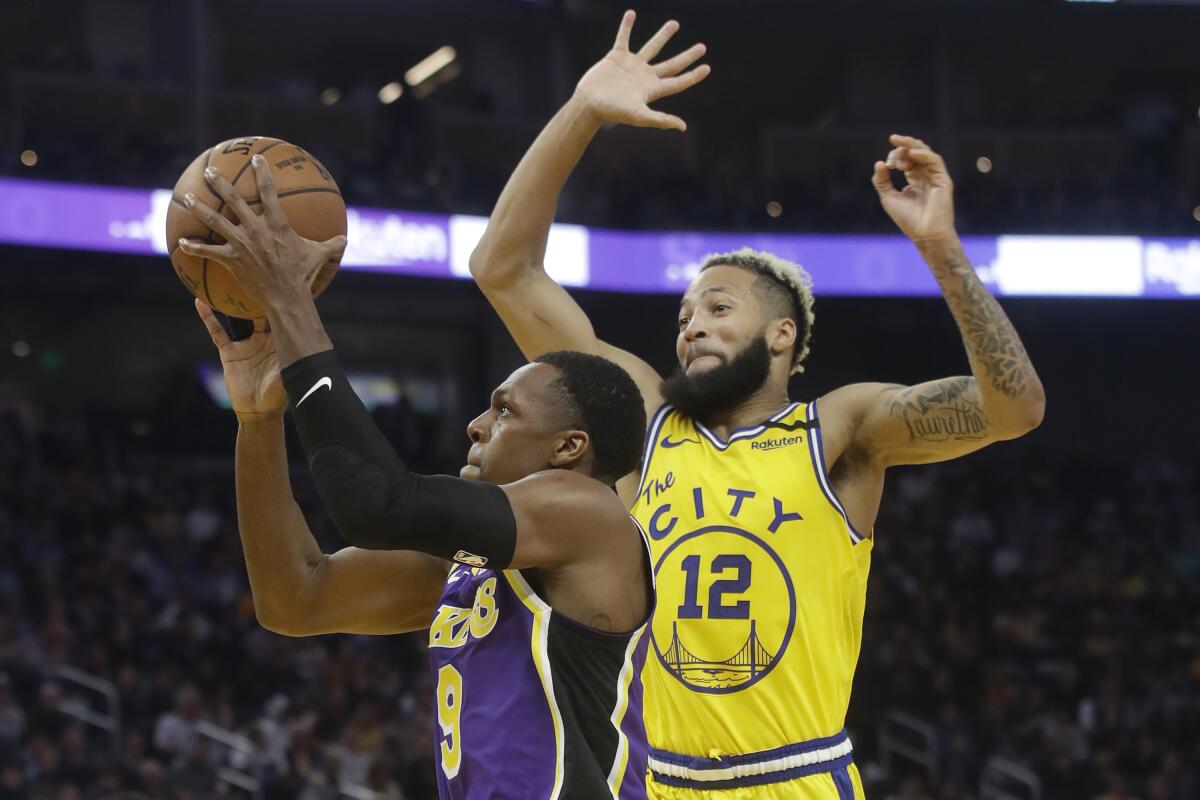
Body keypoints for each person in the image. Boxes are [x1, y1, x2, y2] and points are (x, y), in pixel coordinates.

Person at [468, 11, 1046, 798]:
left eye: (716, 308)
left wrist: (942, 251)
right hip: (654, 778)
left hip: (794, 777)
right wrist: (584, 110)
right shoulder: (644, 414)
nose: (692, 327)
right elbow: (502, 267)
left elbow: (1013, 409)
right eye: (684, 317)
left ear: (782, 334)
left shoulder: (840, 428)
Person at [179, 155, 655, 799]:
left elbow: (380, 504)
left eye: (505, 411)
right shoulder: (475, 569)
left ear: (569, 448)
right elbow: (296, 597)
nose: (475, 426)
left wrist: (291, 301)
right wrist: (258, 419)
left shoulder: (590, 514)